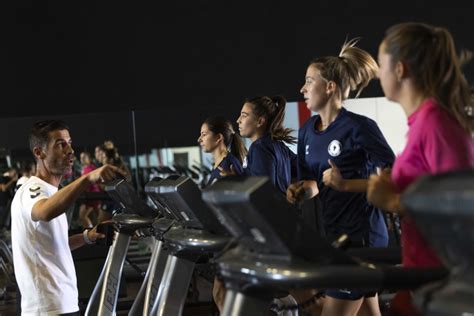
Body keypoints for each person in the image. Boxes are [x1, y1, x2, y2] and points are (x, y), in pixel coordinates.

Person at [367, 22, 474, 315]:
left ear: (400, 70)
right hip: (420, 281)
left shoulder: (435, 123)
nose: (378, 73)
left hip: (439, 288)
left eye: (381, 63)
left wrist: (392, 200)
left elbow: (463, 209)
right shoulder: (421, 123)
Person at [286, 39, 395, 316]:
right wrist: (300, 190)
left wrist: (346, 184)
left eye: (309, 81)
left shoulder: (360, 127)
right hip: (335, 235)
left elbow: (395, 178)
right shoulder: (308, 130)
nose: (303, 89)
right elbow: (314, 183)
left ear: (330, 86)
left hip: (363, 238)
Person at [11, 120, 125, 315]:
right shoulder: (33, 189)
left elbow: (54, 244)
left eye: (69, 142)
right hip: (48, 307)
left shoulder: (51, 192)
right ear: (39, 153)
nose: (70, 150)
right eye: (60, 144)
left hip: (62, 302)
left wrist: (88, 236)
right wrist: (88, 178)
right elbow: (44, 211)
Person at [236, 95, 297, 194]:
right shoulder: (281, 147)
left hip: (270, 209)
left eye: (244, 115)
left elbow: (263, 193)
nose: (238, 120)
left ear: (260, 121)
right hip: (285, 208)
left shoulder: (259, 148)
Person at [197, 116, 247, 187]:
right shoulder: (218, 165)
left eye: (204, 134)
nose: (199, 139)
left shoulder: (229, 165)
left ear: (218, 137)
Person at [78, 151, 101, 228]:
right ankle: (91, 233)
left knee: (83, 215)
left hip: (93, 195)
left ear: (89, 159)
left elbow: (88, 182)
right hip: (91, 195)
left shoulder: (90, 168)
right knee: (99, 216)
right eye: (81, 157)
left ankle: (90, 233)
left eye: (84, 157)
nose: (82, 159)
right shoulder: (85, 169)